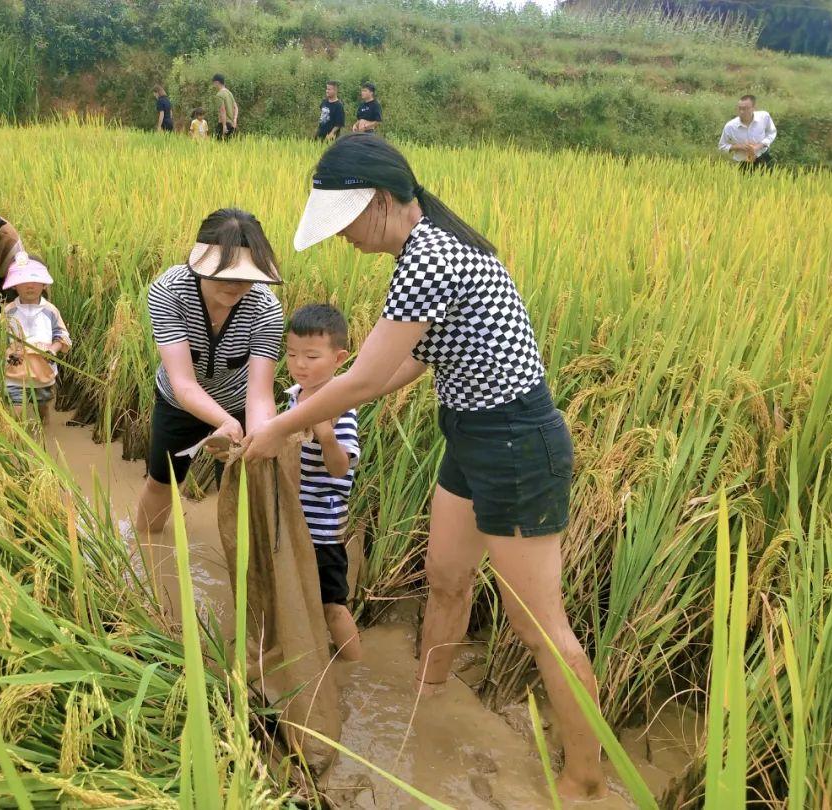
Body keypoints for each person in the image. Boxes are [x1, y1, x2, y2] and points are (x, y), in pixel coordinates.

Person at [242, 134, 608, 800]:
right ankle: (430, 700)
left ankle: (585, 777)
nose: (345, 239)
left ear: (381, 202)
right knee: (445, 576)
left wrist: (279, 427)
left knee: (538, 626)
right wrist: (313, 403)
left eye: (347, 223)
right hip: (470, 434)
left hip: (517, 444)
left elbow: (372, 377)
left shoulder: (431, 254)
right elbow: (406, 362)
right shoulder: (424, 245)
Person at [135, 208, 283, 536]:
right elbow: (184, 384)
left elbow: (260, 394)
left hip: (237, 402)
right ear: (201, 264)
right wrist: (223, 422)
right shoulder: (169, 292)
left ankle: (240, 577)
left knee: (240, 491)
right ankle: (142, 554)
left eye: (245, 276)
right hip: (178, 403)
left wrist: (255, 438)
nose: (235, 286)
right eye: (224, 274)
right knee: (162, 481)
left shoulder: (266, 308)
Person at [286, 304, 362, 661]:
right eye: (292, 354)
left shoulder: (341, 407)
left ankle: (353, 667)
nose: (300, 364)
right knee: (291, 594)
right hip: (291, 520)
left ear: (338, 358)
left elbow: (339, 468)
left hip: (322, 529)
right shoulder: (292, 397)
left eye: (311, 356)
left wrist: (326, 435)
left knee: (332, 603)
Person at [1, 252, 71, 425]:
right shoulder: (7, 311)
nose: (29, 286)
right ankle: (15, 443)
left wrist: (52, 350)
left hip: (43, 371)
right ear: (15, 286)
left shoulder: (51, 311)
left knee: (43, 410)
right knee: (15, 412)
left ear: (44, 285)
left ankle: (43, 438)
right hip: (14, 370)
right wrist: (7, 352)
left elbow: (61, 336)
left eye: (35, 280)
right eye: (23, 281)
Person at [719, 94, 776, 170]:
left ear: (754, 108)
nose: (742, 112)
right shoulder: (730, 126)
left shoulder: (764, 116)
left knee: (770, 181)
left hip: (763, 157)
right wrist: (738, 147)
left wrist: (759, 146)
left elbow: (771, 133)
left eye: (745, 109)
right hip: (743, 164)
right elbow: (721, 146)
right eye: (740, 108)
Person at [213, 74, 239, 140]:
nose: (214, 85)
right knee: (229, 146)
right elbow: (236, 107)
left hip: (223, 123)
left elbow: (222, 111)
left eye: (214, 83)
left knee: (217, 146)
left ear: (217, 82)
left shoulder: (219, 95)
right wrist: (235, 119)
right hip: (232, 123)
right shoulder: (229, 93)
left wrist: (224, 126)